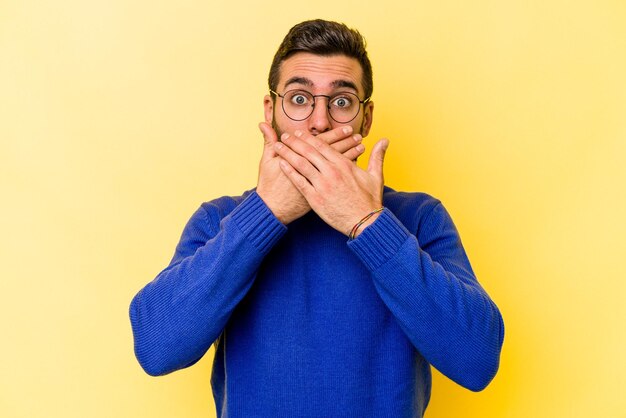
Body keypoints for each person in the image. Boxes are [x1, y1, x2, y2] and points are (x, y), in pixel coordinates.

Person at [129, 19, 504, 417]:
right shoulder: (220, 219)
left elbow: (477, 362)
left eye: (341, 101)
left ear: (366, 117)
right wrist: (265, 214)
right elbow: (157, 348)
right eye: (299, 98)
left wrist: (367, 223)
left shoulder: (418, 217)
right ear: (271, 110)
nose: (320, 121)